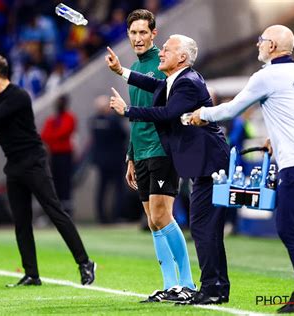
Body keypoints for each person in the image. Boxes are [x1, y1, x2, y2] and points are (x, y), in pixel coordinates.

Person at [190, 25, 294, 313]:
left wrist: (201, 114)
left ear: (273, 46)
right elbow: (293, 113)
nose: (258, 45)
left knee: (289, 228)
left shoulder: (267, 76)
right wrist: (275, 138)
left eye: (262, 41)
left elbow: (230, 110)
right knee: (290, 227)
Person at [0, 54, 96, 286]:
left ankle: (85, 263)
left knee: (55, 212)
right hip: (13, 165)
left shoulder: (18, 96)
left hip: (33, 161)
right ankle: (32, 274)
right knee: (21, 221)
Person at [107, 34, 230, 305]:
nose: (160, 52)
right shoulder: (177, 80)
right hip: (204, 161)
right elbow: (151, 84)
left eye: (166, 49)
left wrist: (128, 110)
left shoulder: (188, 83)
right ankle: (215, 287)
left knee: (202, 225)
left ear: (182, 57)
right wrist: (121, 72)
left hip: (210, 161)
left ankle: (210, 288)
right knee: (204, 226)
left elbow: (166, 113)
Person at [106, 9, 196, 303]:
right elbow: (137, 119)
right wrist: (131, 156)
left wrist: (122, 72)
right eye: (133, 33)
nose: (138, 38)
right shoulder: (135, 65)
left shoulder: (163, 65)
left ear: (153, 34)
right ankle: (170, 284)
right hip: (141, 151)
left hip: (161, 150)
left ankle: (187, 283)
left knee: (162, 215)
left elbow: (161, 106)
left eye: (143, 32)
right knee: (152, 221)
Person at [89, 95, 127, 223]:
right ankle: (116, 216)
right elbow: (123, 135)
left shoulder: (93, 121)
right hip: (115, 159)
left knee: (102, 189)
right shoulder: (114, 121)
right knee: (118, 189)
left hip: (101, 161)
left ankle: (101, 217)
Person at [40, 95, 76, 215]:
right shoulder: (52, 119)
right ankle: (56, 209)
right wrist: (54, 136)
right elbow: (44, 135)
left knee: (65, 182)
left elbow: (64, 132)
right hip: (54, 154)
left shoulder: (69, 118)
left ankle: (67, 209)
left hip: (65, 154)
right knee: (54, 182)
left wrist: (53, 136)